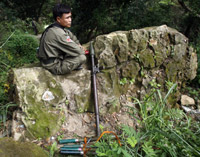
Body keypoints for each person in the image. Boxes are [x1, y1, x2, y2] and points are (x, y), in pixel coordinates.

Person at [37, 3, 87, 75]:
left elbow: (73, 38)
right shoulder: (58, 33)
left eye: (70, 17)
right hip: (53, 66)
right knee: (82, 58)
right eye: (67, 18)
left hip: (53, 59)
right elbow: (79, 51)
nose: (70, 20)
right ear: (58, 19)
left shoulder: (57, 28)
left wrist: (78, 44)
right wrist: (81, 48)